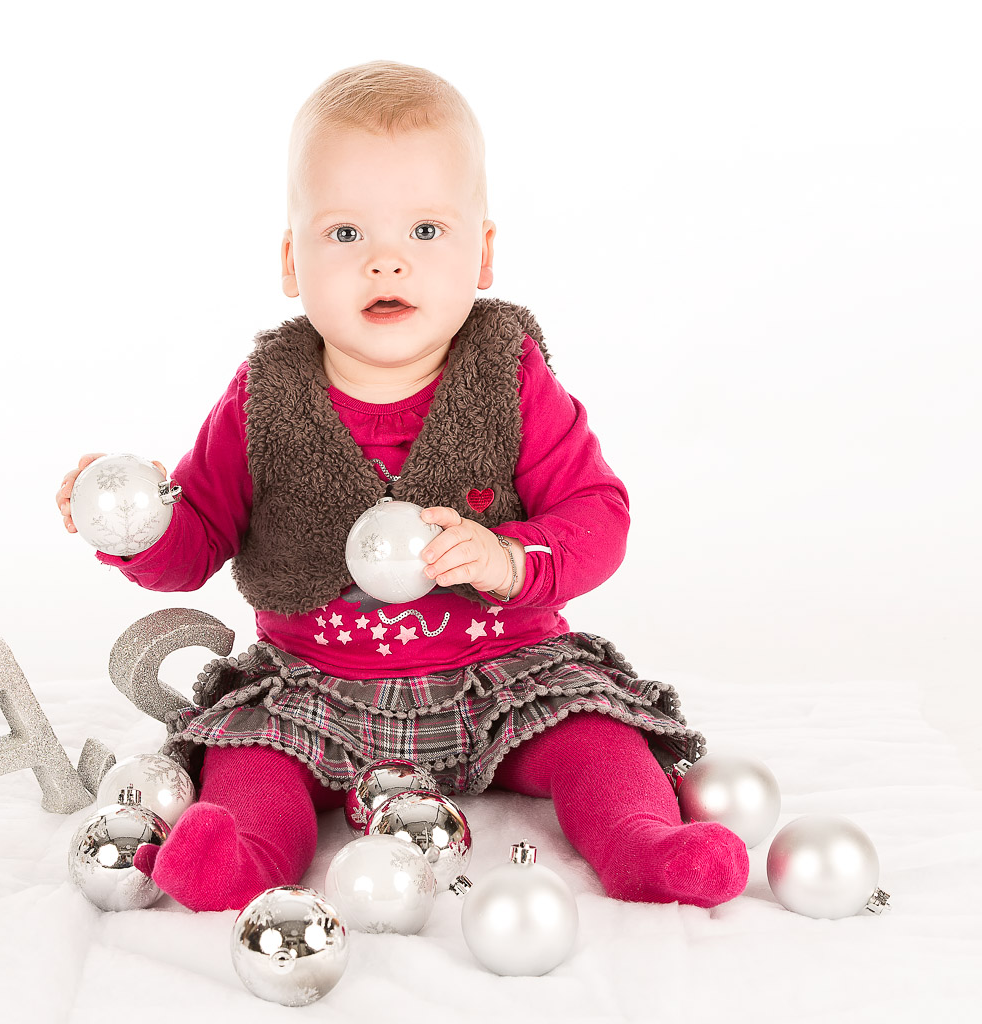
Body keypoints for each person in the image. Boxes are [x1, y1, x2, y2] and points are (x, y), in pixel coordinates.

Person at [54, 60, 748, 913]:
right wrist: (137, 523)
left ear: (481, 253)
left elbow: (598, 515)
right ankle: (242, 857)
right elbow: (198, 537)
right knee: (251, 758)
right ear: (292, 260)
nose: (386, 262)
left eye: (425, 231)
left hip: (503, 669)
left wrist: (510, 558)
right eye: (346, 234)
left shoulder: (508, 375)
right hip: (314, 683)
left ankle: (643, 845)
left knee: (598, 739)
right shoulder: (267, 393)